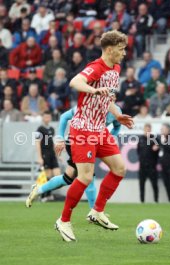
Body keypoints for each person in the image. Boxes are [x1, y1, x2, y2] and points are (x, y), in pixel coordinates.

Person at [54, 30, 134, 242]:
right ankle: (64, 220)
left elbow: (107, 99)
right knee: (85, 177)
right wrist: (94, 90)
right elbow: (75, 82)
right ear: (109, 50)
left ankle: (96, 211)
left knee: (119, 168)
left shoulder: (116, 68)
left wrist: (117, 115)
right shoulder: (96, 67)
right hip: (83, 130)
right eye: (120, 49)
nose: (124, 53)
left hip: (100, 129)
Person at [26, 103, 122, 208]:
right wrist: (60, 138)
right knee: (89, 176)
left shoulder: (116, 111)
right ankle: (94, 212)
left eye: (111, 96)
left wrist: (107, 139)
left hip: (90, 143)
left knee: (67, 178)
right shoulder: (88, 105)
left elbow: (117, 127)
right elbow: (64, 117)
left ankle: (38, 190)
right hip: (75, 141)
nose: (108, 98)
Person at [34, 111, 61, 201]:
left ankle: (47, 194)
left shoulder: (52, 129)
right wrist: (39, 157)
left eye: (49, 117)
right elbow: (37, 143)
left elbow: (52, 142)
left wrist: (58, 155)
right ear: (43, 118)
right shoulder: (39, 129)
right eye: (45, 117)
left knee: (57, 175)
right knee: (47, 175)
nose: (47, 119)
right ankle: (44, 196)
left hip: (52, 154)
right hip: (45, 153)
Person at [137, 124, 159, 203]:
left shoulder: (154, 139)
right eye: (146, 129)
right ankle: (142, 201)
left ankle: (156, 201)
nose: (147, 131)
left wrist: (157, 148)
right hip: (142, 166)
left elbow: (159, 150)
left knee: (154, 184)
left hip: (152, 166)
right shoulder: (140, 139)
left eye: (149, 129)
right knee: (141, 185)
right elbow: (138, 151)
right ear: (144, 129)